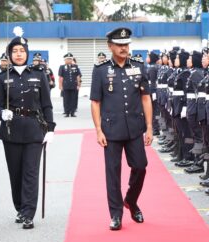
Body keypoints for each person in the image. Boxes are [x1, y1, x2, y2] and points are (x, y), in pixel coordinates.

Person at [90, 27, 153, 231]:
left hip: (135, 128)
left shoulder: (139, 66)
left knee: (140, 166)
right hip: (111, 130)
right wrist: (98, 130)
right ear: (110, 46)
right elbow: (95, 102)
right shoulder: (100, 70)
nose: (124, 48)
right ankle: (116, 214)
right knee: (113, 173)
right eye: (120, 45)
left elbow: (145, 97)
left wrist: (150, 127)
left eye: (126, 44)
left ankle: (131, 201)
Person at [0, 35, 56, 229]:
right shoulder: (3, 77)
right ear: (9, 54)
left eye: (21, 51)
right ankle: (20, 208)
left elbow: (46, 104)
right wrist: (1, 113)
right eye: (15, 51)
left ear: (27, 53)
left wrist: (51, 128)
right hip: (11, 131)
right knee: (16, 173)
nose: (18, 54)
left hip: (34, 129)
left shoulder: (39, 74)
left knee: (30, 172)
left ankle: (29, 213)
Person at [58, 53, 81, 117]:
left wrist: (78, 85)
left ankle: (72, 112)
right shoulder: (62, 67)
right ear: (65, 60)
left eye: (70, 59)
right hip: (66, 85)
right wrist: (60, 85)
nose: (69, 60)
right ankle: (67, 112)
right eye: (67, 59)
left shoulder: (75, 66)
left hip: (74, 85)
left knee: (73, 99)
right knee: (66, 99)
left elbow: (78, 76)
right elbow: (60, 77)